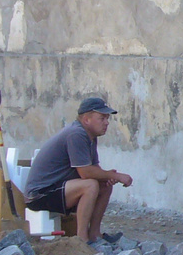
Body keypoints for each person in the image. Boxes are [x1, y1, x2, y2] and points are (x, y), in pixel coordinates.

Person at [23, 96, 134, 245]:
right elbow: (86, 173)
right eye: (102, 118)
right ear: (86, 119)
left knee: (104, 186)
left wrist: (107, 177)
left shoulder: (90, 136)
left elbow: (94, 168)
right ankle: (82, 240)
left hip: (59, 188)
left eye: (107, 118)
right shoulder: (76, 134)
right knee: (90, 185)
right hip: (40, 194)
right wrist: (116, 175)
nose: (107, 122)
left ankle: (95, 234)